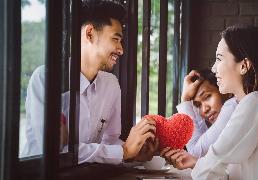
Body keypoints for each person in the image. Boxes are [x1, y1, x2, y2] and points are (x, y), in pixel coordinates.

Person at [160, 25, 258, 180]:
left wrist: (201, 165)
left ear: (244, 65)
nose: (214, 68)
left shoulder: (254, 103)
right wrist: (197, 163)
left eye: (219, 59)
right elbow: (238, 171)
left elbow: (207, 173)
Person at [21, 0, 158, 164]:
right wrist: (124, 151)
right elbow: (56, 151)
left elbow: (110, 141)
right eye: (116, 39)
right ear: (90, 33)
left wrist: (135, 152)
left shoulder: (111, 84)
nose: (121, 49)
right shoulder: (45, 79)